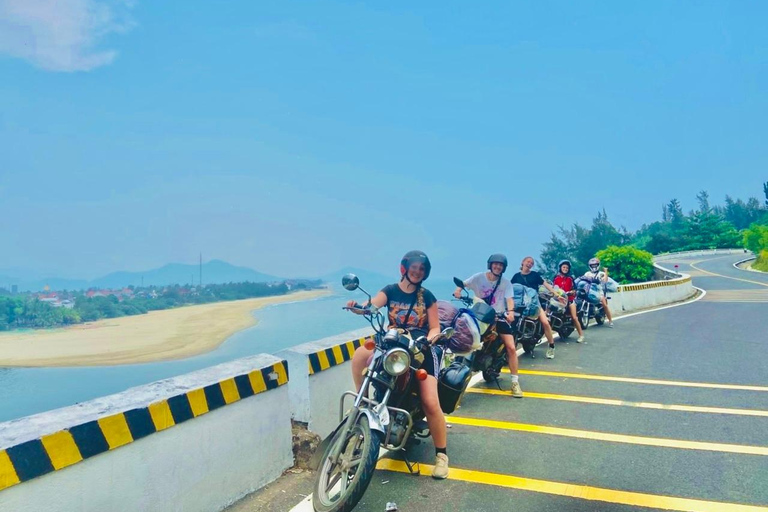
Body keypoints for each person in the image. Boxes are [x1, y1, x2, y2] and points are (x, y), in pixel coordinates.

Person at [347, 250, 450, 479]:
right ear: (404, 268)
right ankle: (361, 398)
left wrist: (431, 338)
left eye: (421, 269)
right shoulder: (390, 290)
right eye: (414, 267)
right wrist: (358, 307)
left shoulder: (428, 296)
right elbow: (372, 306)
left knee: (430, 401)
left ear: (425, 273)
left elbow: (435, 326)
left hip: (419, 349)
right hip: (392, 344)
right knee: (360, 355)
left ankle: (441, 455)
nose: (417, 271)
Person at [453, 253, 524, 398]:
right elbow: (463, 284)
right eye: (495, 264)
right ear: (490, 265)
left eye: (501, 265)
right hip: (480, 315)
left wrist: (510, 312)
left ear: (503, 268)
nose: (498, 267)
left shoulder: (505, 283)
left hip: (498, 316)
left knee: (511, 347)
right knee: (463, 336)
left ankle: (515, 382)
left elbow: (509, 299)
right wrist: (458, 291)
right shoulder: (479, 277)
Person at [511, 256, 561, 359]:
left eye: (531, 263)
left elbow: (545, 284)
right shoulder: (516, 277)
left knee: (545, 322)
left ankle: (551, 346)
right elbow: (509, 289)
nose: (529, 263)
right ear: (522, 262)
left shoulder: (534, 275)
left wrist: (556, 294)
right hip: (519, 304)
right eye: (528, 261)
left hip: (534, 303)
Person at [552, 259, 585, 343]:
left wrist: (571, 292)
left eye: (567, 268)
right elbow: (552, 287)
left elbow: (574, 289)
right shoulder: (556, 277)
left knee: (574, 317)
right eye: (564, 267)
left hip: (569, 299)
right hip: (558, 299)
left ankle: (581, 335)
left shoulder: (570, 278)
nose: (565, 269)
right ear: (560, 268)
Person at [582, 257, 614, 327]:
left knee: (604, 305)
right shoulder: (587, 273)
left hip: (598, 292)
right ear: (590, 266)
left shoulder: (601, 273)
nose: (594, 267)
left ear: (598, 265)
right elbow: (583, 280)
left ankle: (610, 321)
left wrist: (606, 272)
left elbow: (605, 280)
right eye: (592, 265)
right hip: (589, 291)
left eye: (595, 265)